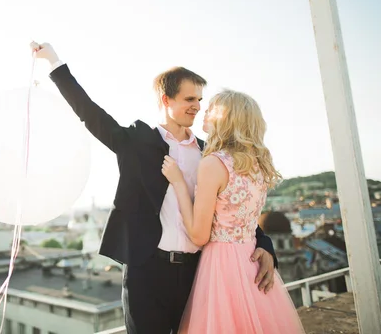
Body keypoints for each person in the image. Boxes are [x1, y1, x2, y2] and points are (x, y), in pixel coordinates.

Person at [30, 42, 278, 334]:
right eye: (189, 99)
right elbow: (89, 113)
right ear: (166, 99)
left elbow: (231, 208)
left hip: (198, 274)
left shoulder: (209, 152)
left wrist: (264, 244)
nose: (197, 106)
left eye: (199, 99)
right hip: (147, 273)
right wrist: (54, 63)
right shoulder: (136, 143)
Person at [161, 90, 304, 333]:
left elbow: (199, 235)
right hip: (250, 261)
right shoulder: (257, 165)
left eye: (212, 108)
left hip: (222, 265)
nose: (204, 111)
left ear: (226, 118)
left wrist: (178, 183)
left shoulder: (213, 164)